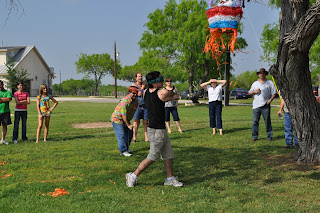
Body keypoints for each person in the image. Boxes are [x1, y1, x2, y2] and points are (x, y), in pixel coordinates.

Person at [126, 71, 183, 187]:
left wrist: (172, 96)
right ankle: (133, 175)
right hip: (157, 130)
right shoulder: (162, 92)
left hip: (159, 129)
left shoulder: (146, 92)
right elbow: (172, 94)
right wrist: (174, 95)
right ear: (155, 82)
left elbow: (164, 99)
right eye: (160, 79)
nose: (163, 81)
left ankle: (169, 178)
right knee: (153, 156)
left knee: (168, 154)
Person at [249, 68, 277, 142]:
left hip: (265, 105)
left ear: (265, 74)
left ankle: (269, 136)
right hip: (256, 105)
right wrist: (255, 91)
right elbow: (249, 92)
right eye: (260, 73)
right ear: (258, 75)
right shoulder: (255, 83)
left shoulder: (270, 83)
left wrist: (270, 100)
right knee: (255, 121)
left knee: (267, 121)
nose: (261, 74)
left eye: (263, 73)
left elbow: (274, 93)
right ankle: (254, 136)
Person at [111, 86, 139, 157]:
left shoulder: (135, 101)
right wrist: (128, 124)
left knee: (130, 132)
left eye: (136, 93)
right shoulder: (124, 101)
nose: (135, 95)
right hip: (117, 119)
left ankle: (126, 148)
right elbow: (123, 115)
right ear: (129, 93)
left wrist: (129, 123)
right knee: (121, 134)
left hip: (126, 119)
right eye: (133, 93)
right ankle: (123, 151)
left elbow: (132, 112)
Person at [131, 73, 149, 142]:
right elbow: (137, 94)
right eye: (138, 76)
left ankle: (146, 137)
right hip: (137, 105)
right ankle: (134, 138)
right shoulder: (134, 85)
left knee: (145, 121)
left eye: (141, 76)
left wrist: (144, 87)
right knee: (136, 122)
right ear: (136, 78)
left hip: (145, 105)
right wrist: (142, 88)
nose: (140, 78)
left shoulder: (145, 85)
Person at [0, 80, 12, 145]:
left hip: (5, 111)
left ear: (3, 85)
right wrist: (3, 99)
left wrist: (1, 99)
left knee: (5, 125)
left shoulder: (8, 92)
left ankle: (3, 139)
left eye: (0, 85)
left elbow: (8, 99)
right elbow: (6, 99)